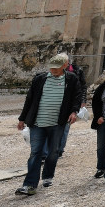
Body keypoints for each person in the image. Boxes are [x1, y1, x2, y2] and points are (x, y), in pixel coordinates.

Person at [15, 53, 83, 196]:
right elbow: (30, 99)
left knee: (54, 152)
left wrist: (74, 112)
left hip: (57, 123)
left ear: (65, 66)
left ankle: (47, 176)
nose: (53, 70)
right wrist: (22, 119)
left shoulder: (71, 79)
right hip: (37, 123)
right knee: (35, 153)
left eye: (57, 68)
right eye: (51, 68)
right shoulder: (40, 79)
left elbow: (76, 97)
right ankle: (30, 185)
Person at [56, 56, 87, 158]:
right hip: (56, 103)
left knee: (65, 127)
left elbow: (82, 87)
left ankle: (59, 150)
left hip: (70, 104)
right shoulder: (55, 72)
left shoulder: (77, 71)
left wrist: (82, 101)